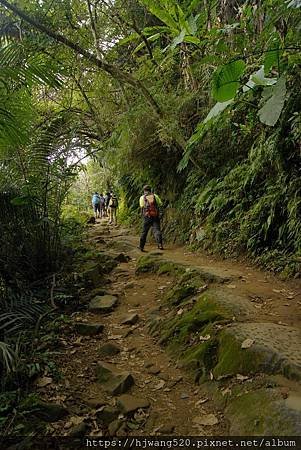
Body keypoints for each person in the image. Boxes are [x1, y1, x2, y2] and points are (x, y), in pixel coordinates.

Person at [139, 185, 163, 251]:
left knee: (144, 232)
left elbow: (142, 207)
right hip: (155, 216)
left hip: (147, 217)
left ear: (144, 190)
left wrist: (143, 215)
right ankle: (160, 244)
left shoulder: (142, 198)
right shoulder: (155, 196)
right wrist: (159, 213)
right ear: (150, 190)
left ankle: (141, 246)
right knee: (157, 230)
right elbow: (160, 204)